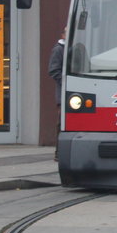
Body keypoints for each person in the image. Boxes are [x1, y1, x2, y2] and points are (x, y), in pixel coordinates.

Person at [48, 28, 65, 161]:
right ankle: (59, 152)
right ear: (63, 34)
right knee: (61, 122)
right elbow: (54, 70)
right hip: (63, 93)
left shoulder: (78, 46)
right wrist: (66, 83)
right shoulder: (59, 49)